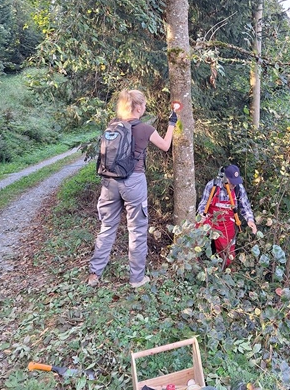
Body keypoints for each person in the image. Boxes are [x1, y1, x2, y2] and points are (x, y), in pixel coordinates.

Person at [88, 89, 177, 288]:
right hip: (134, 181)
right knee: (136, 230)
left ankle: (94, 274)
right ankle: (137, 278)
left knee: (107, 227)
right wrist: (172, 124)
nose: (145, 107)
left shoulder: (113, 126)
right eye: (144, 104)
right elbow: (165, 145)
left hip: (109, 182)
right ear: (138, 107)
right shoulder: (145, 129)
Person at [197, 164, 257, 267]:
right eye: (231, 182)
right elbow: (203, 204)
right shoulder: (212, 186)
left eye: (235, 182)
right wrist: (202, 214)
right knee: (196, 239)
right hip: (210, 219)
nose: (233, 185)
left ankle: (226, 271)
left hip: (227, 223)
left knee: (228, 252)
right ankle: (195, 266)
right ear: (225, 178)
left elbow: (245, 206)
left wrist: (250, 220)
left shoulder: (238, 188)